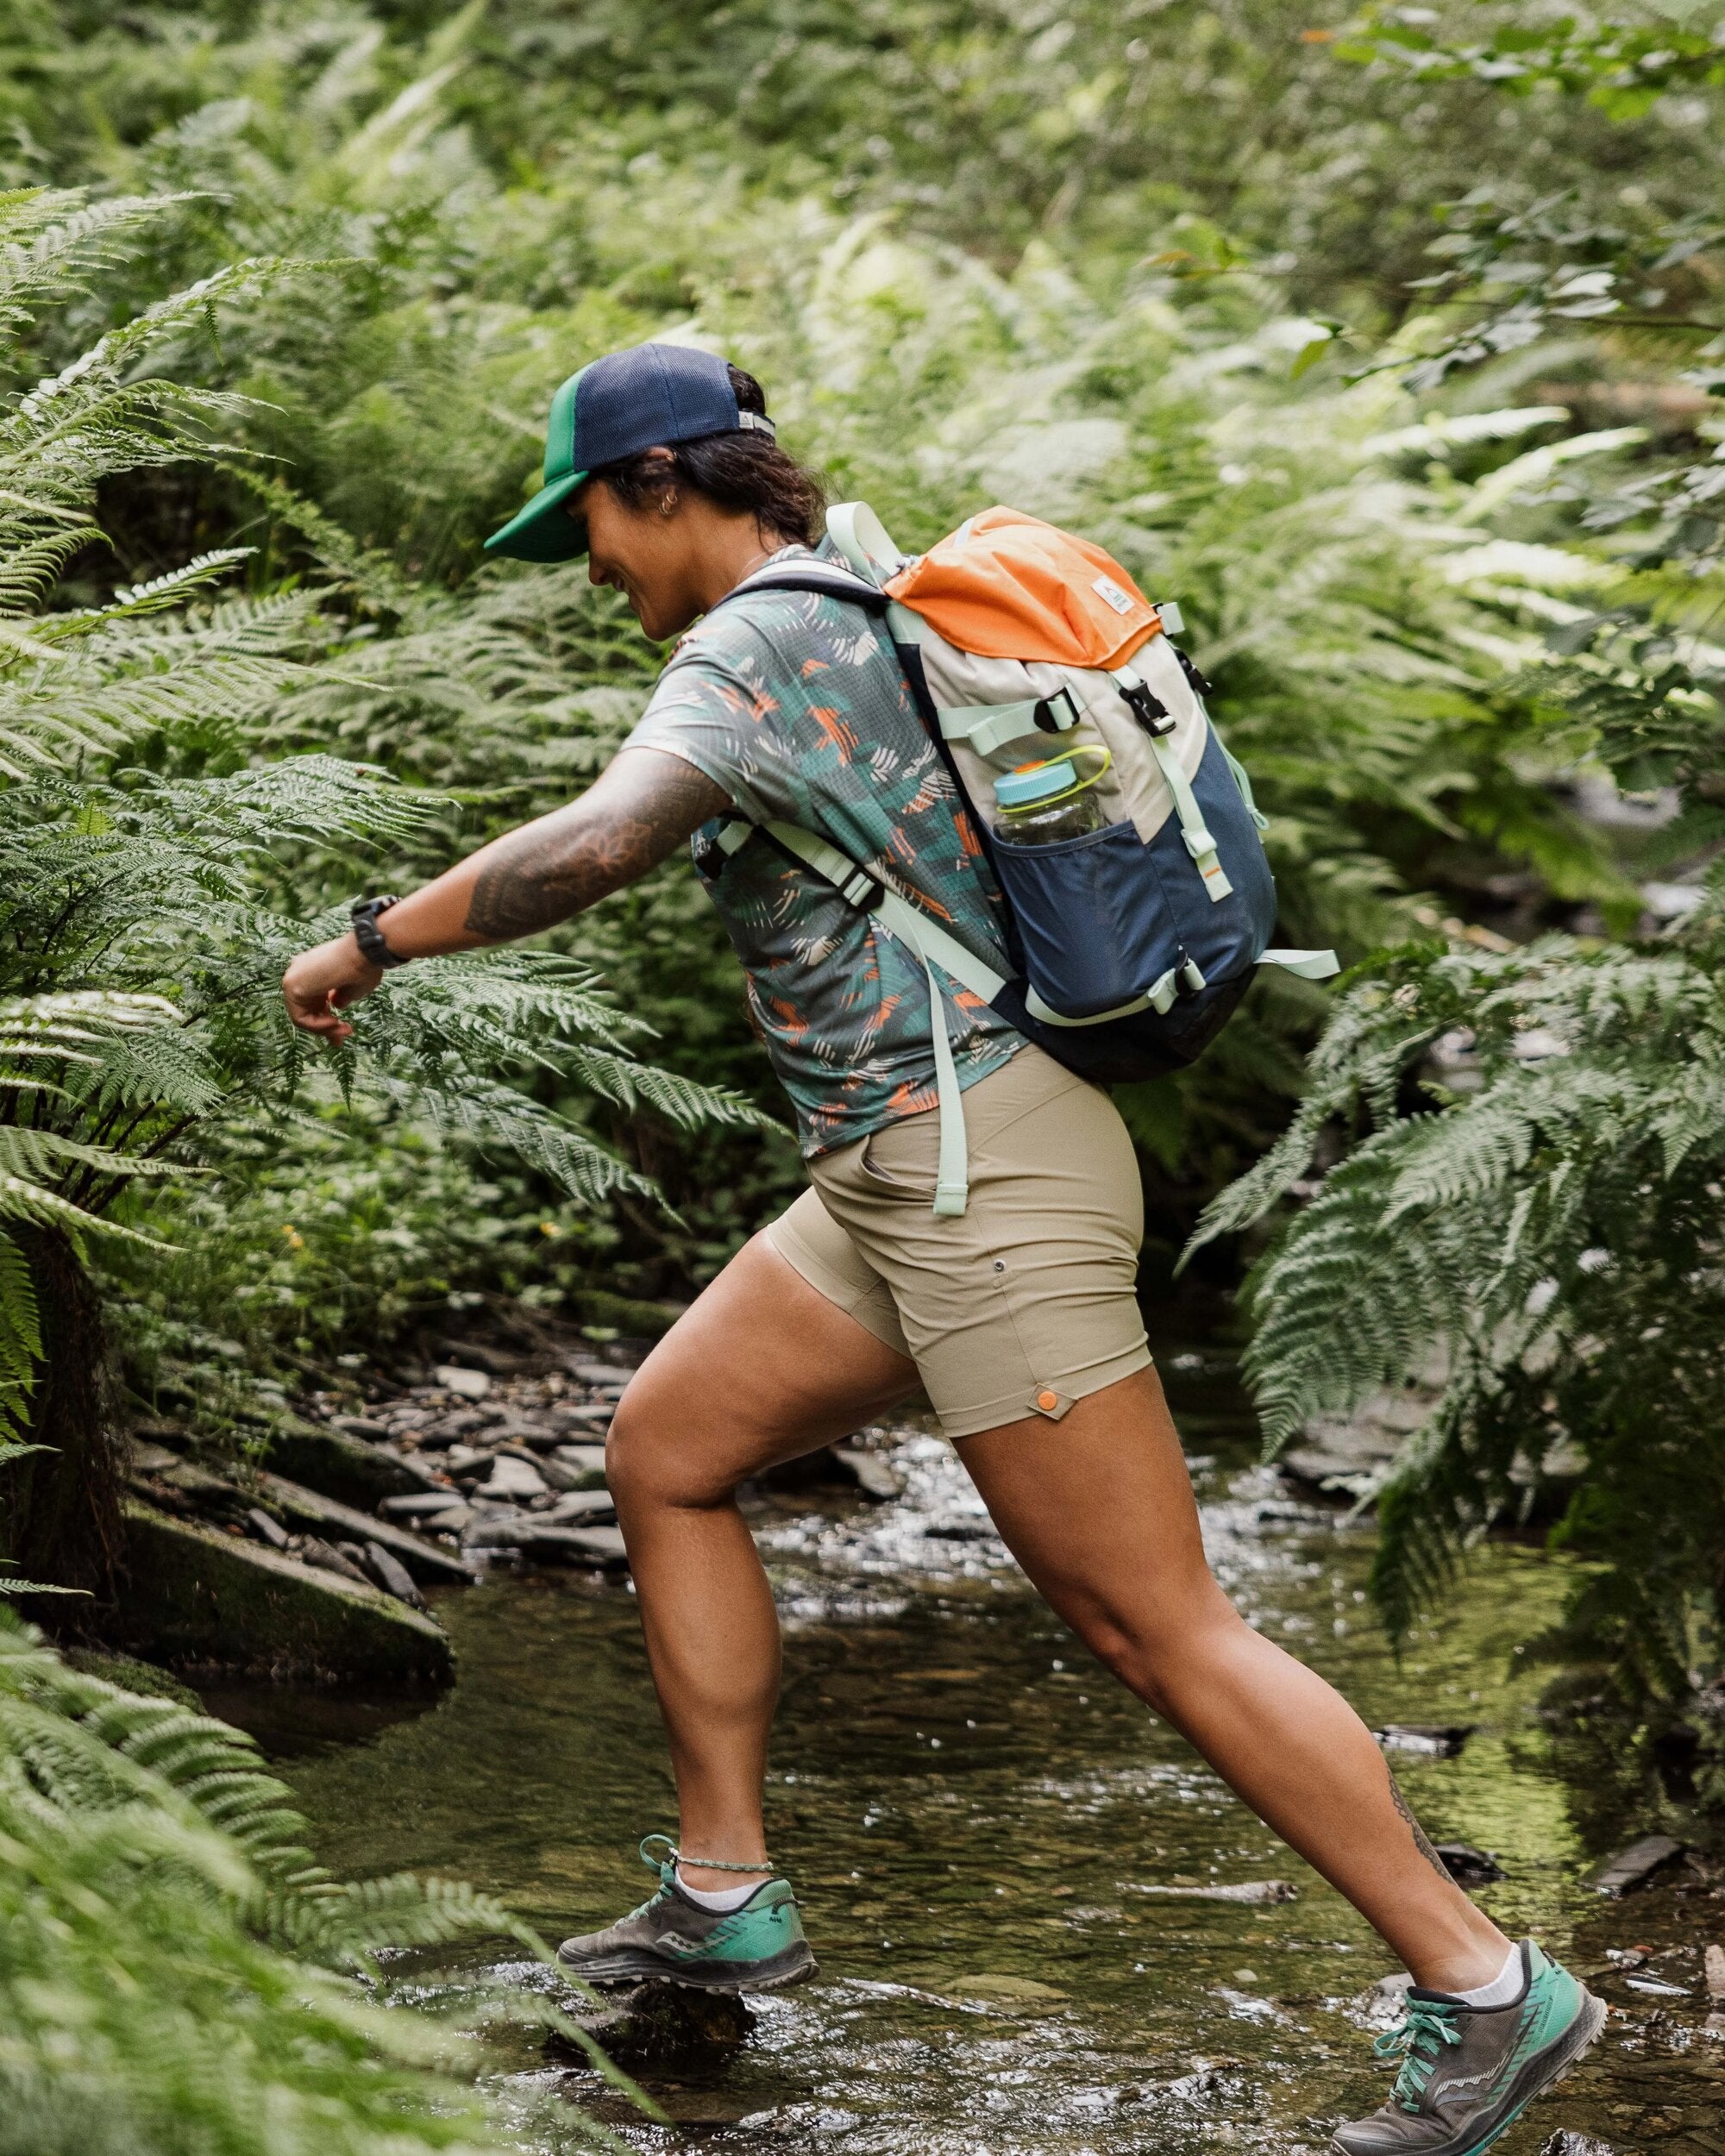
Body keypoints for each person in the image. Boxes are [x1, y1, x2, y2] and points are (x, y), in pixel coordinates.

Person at [281, 342, 1603, 2156]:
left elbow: (594, 844)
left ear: (664, 483)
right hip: (897, 1175)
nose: (585, 561)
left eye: (586, 517)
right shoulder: (864, 588)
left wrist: (371, 936)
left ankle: (1483, 1986)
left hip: (983, 1178)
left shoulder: (752, 641)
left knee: (1154, 1621)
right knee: (666, 1449)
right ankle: (724, 1884)